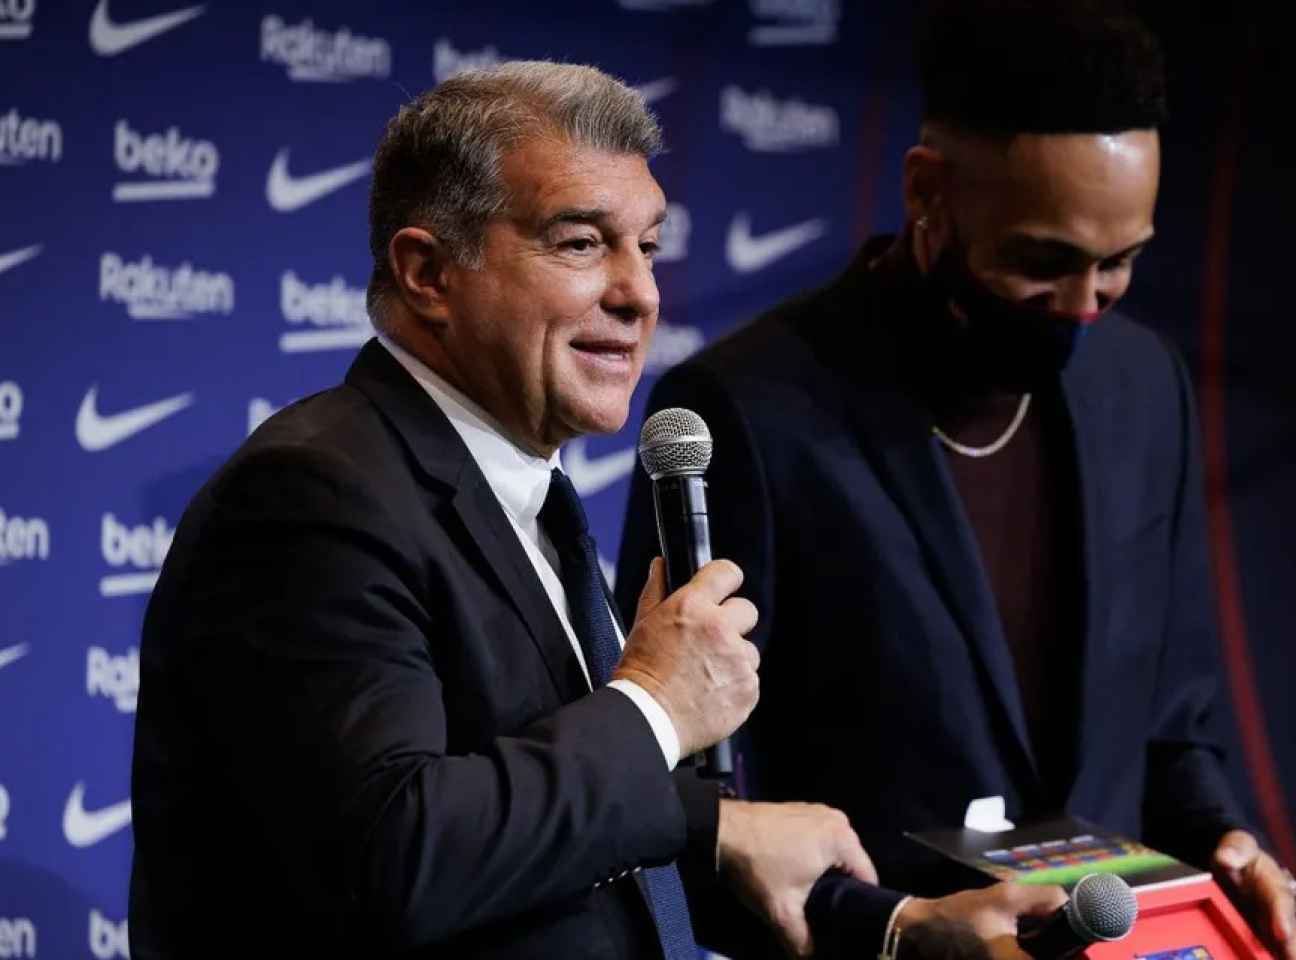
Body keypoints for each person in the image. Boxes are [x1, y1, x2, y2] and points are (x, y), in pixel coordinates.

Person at [129, 61, 1041, 960]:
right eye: (578, 243)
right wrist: (653, 707)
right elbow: (393, 861)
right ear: (427, 274)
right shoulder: (312, 498)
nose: (638, 294)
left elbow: (565, 845)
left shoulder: (521, 491)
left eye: (646, 246)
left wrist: (887, 928)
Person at [616, 4, 1296, 958]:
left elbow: (1172, 726)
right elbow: (690, 807)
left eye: (1120, 264)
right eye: (1044, 261)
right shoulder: (750, 409)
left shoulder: (1145, 388)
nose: (1083, 305)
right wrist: (902, 934)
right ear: (926, 190)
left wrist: (1224, 842)